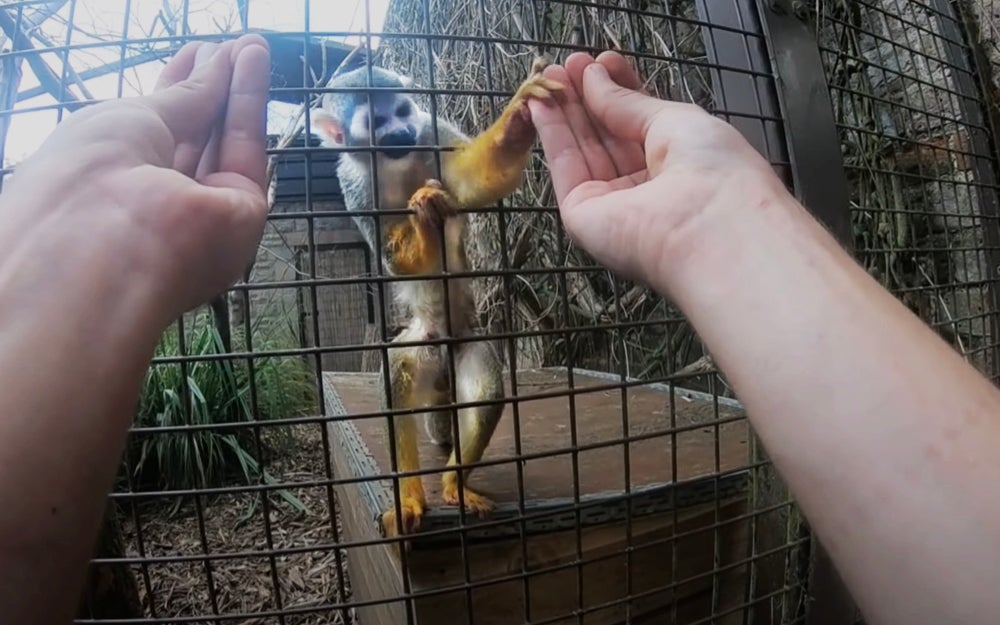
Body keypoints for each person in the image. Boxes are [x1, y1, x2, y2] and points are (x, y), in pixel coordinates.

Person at [0, 32, 996, 625]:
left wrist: (515, 126)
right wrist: (422, 224)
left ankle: (454, 476)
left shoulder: (427, 136)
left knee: (486, 390)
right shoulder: (356, 177)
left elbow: (480, 171)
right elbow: (403, 255)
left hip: (471, 315)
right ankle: (409, 488)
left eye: (395, 112)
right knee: (408, 378)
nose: (392, 129)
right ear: (351, 136)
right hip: (417, 314)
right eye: (374, 122)